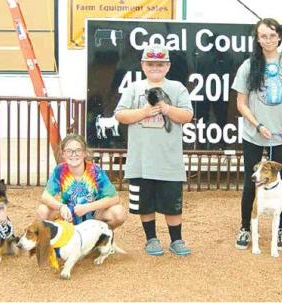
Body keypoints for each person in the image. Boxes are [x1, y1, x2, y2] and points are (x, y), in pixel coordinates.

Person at [114, 43, 194, 256]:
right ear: (142, 65)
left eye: (160, 64)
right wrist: (145, 112)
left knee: (172, 204)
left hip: (169, 161)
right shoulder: (133, 89)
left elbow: (187, 115)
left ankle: (176, 240)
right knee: (145, 204)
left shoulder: (177, 88)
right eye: (151, 64)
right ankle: (151, 239)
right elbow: (120, 115)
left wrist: (167, 109)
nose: (155, 67)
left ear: (168, 66)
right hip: (141, 160)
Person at [233, 18, 282, 251]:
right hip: (254, 133)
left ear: (279, 36)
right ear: (257, 39)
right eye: (263, 36)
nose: (268, 40)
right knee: (253, 182)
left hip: (281, 134)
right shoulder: (248, 66)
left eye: (272, 35)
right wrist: (258, 125)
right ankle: (245, 227)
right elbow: (241, 103)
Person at [37, 134, 126, 229]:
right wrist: (61, 207)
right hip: (68, 214)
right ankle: (54, 238)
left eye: (78, 150)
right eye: (68, 151)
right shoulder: (60, 170)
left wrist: (87, 207)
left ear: (85, 153)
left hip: (94, 214)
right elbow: (45, 196)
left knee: (118, 213)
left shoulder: (95, 171)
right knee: (42, 211)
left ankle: (101, 235)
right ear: (63, 154)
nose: (73, 154)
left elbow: (114, 198)